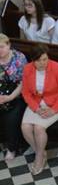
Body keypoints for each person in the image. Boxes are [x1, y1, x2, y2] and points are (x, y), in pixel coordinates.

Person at [21, 45, 58, 176]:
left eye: (45, 59)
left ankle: (38, 158)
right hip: (36, 103)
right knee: (25, 127)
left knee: (38, 128)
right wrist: (36, 108)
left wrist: (53, 110)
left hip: (57, 104)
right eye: (39, 60)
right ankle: (40, 152)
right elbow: (26, 92)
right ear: (33, 60)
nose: (43, 63)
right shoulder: (27, 69)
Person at [0, 35, 28, 163]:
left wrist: (10, 97)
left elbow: (24, 82)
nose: (0, 50)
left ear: (9, 45)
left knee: (11, 117)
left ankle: (12, 148)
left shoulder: (19, 58)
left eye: (2, 47)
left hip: (17, 95)